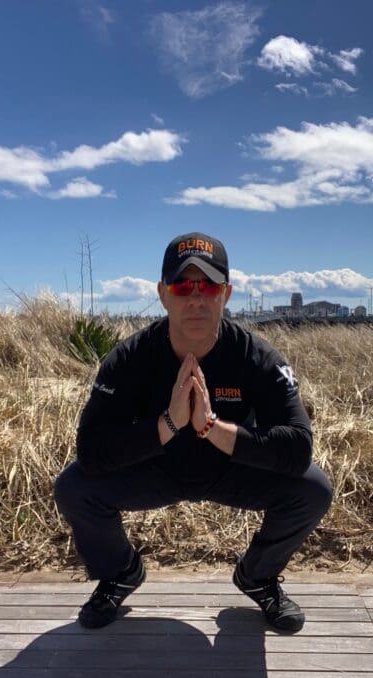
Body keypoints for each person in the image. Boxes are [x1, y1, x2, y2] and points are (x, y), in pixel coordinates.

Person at [54, 232, 332, 633]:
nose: (196, 298)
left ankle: (257, 575)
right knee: (74, 486)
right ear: (163, 294)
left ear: (227, 293)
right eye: (183, 285)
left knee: (314, 488)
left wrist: (210, 427)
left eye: (209, 286)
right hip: (156, 469)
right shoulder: (130, 359)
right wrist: (167, 425)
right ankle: (119, 573)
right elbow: (91, 449)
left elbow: (297, 449)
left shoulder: (257, 357)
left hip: (229, 469)